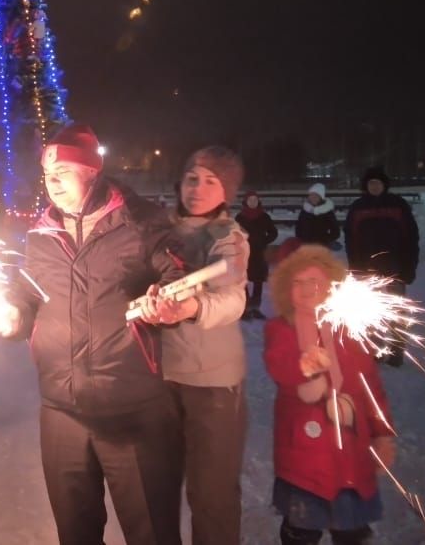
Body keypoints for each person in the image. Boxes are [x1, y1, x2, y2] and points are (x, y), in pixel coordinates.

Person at [0, 123, 187, 545]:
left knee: (151, 531)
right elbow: (27, 293)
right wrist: (13, 314)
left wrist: (171, 300)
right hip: (61, 409)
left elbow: (178, 273)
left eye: (63, 171)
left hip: (132, 406)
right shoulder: (40, 234)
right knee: (75, 532)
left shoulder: (140, 222)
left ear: (91, 173)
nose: (53, 182)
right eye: (47, 173)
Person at [139, 146, 250, 544]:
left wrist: (191, 307)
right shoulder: (158, 230)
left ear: (227, 192)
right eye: (192, 177)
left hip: (213, 386)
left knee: (211, 495)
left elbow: (233, 298)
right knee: (155, 491)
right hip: (159, 380)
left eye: (211, 180)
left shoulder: (228, 238)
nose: (198, 188)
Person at [264, 244, 396, 545]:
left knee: (351, 529)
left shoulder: (348, 331)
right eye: (297, 282)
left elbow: (371, 387)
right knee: (301, 527)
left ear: (331, 288)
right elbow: (279, 365)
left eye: (315, 282)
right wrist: (303, 366)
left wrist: (381, 433)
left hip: (351, 452)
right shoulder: (281, 329)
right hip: (304, 456)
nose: (306, 289)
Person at [344, 166, 420, 367]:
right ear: (365, 186)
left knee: (396, 311)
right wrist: (355, 268)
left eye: (378, 183)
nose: (374, 186)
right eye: (371, 183)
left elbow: (411, 238)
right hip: (367, 270)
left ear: (384, 185)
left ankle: (396, 350)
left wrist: (409, 267)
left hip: (395, 268)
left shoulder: (398, 205)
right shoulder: (358, 208)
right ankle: (375, 349)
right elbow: (350, 241)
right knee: (371, 312)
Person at [236, 190, 278, 320]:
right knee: (244, 281)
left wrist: (264, 241)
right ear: (246, 202)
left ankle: (255, 308)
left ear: (258, 201)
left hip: (259, 254)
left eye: (255, 200)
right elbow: (234, 234)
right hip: (244, 254)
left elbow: (273, 233)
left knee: (258, 281)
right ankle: (246, 308)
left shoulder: (264, 217)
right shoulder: (240, 218)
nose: (252, 202)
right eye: (250, 200)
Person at [295, 183, 340, 248]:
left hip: (321, 246)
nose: (313, 197)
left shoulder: (327, 212)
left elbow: (336, 231)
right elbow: (298, 226)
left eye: (316, 195)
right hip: (305, 245)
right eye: (311, 195)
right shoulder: (305, 210)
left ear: (321, 197)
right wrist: (300, 238)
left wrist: (326, 240)